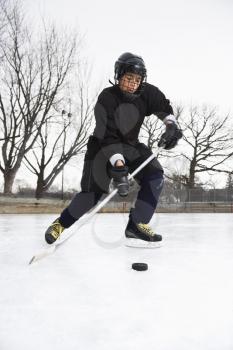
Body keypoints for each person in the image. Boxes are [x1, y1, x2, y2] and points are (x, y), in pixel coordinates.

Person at [44, 52, 182, 248]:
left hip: (131, 146)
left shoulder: (148, 93)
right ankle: (60, 223)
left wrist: (171, 126)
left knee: (155, 175)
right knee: (91, 196)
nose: (133, 83)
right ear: (118, 76)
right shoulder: (107, 97)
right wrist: (118, 166)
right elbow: (106, 135)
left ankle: (137, 224)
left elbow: (164, 107)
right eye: (128, 78)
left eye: (137, 79)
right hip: (101, 148)